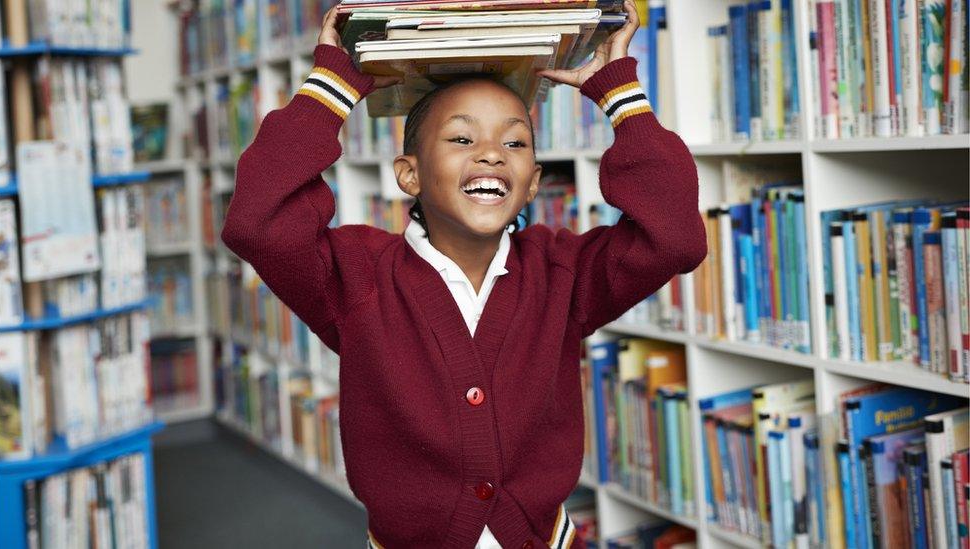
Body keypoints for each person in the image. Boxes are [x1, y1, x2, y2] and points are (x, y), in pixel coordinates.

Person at [220, 2, 706, 547]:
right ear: (409, 175)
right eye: (461, 139)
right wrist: (331, 86)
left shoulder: (565, 275)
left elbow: (675, 236)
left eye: (515, 142)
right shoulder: (355, 279)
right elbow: (258, 222)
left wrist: (619, 94)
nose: (493, 155)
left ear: (532, 181)